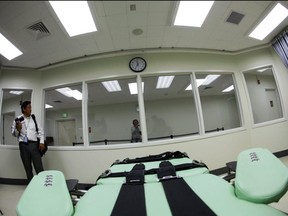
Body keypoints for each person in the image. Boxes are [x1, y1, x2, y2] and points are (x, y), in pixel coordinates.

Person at [11, 101, 45, 183]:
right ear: (24, 109)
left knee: (38, 166)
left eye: (31, 107)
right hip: (23, 145)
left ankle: (42, 184)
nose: (31, 109)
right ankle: (31, 184)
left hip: (34, 145)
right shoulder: (17, 120)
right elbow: (14, 134)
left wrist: (41, 142)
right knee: (27, 166)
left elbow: (41, 131)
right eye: (29, 107)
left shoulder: (34, 119)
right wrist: (18, 129)